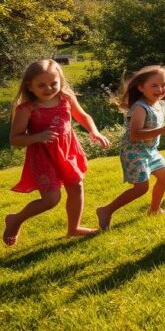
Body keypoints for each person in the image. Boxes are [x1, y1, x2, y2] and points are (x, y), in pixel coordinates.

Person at [4, 60, 111, 246]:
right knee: (51, 200)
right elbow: (15, 139)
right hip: (43, 157)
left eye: (53, 83)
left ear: (61, 80)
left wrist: (94, 132)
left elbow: (83, 116)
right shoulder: (27, 109)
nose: (48, 88)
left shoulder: (66, 98)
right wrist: (38, 136)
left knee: (76, 187)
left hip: (68, 152)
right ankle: (15, 219)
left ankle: (74, 228)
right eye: (41, 85)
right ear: (30, 86)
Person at [96, 65, 165, 230]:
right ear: (141, 87)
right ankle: (105, 210)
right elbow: (135, 135)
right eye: (154, 85)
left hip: (150, 150)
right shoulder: (139, 108)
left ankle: (155, 210)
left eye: (164, 84)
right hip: (134, 151)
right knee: (141, 188)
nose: (160, 89)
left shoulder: (160, 104)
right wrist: (164, 129)